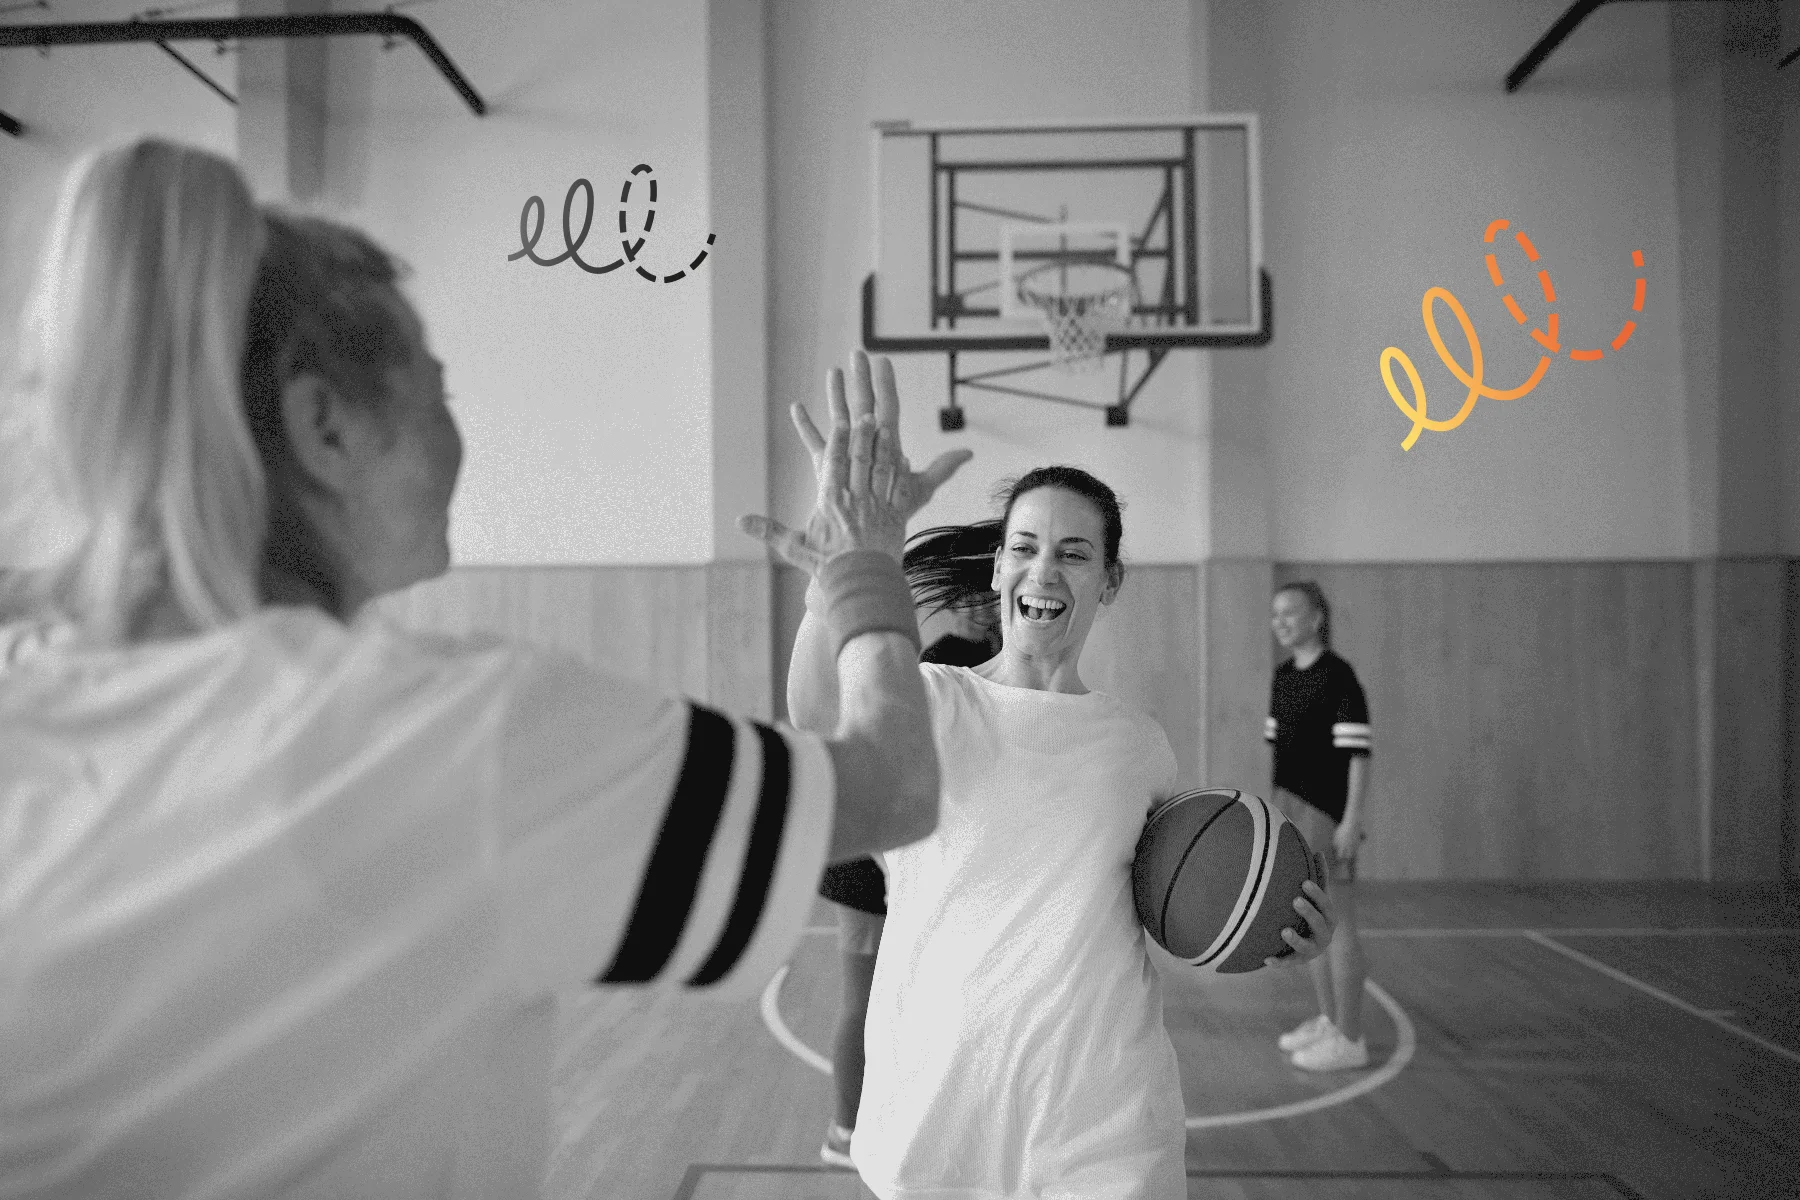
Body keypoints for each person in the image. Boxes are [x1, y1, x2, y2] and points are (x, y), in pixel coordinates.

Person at [0, 138, 970, 1199]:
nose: (459, 436)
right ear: (327, 425)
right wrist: (867, 559)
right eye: (438, 391)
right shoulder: (463, 733)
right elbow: (893, 782)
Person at [782, 465, 1339, 1199]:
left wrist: (1280, 931)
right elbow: (817, 708)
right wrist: (842, 568)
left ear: (1108, 581)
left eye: (1074, 553)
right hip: (937, 1121)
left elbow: (1173, 910)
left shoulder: (1139, 746)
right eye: (1024, 546)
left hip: (1102, 1126)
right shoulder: (930, 700)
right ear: (999, 568)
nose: (1044, 568)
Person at [817, 528, 1000, 1169]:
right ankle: (844, 1130)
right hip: (872, 847)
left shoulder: (1009, 665)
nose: (982, 608)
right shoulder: (939, 664)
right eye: (970, 597)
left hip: (920, 844)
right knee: (862, 994)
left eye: (989, 597)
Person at [1266, 580, 1374, 1072]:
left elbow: (1357, 755)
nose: (1281, 623)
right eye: (1275, 616)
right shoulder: (1283, 676)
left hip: (1327, 817)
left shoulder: (1339, 677)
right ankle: (1330, 1022)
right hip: (1290, 811)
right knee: (1309, 921)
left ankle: (1350, 1038)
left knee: (1341, 925)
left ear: (1317, 618)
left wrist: (1350, 820)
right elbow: (1280, 752)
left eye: (1290, 613)